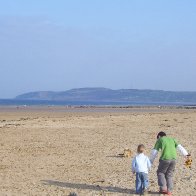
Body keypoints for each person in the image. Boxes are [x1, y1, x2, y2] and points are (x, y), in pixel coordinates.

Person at [150, 131, 190, 195]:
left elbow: (154, 152)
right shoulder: (172, 139)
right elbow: (180, 147)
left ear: (159, 136)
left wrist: (150, 162)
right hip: (174, 159)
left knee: (160, 172)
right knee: (169, 174)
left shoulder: (160, 139)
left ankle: (163, 188)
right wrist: (186, 154)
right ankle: (169, 190)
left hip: (165, 159)